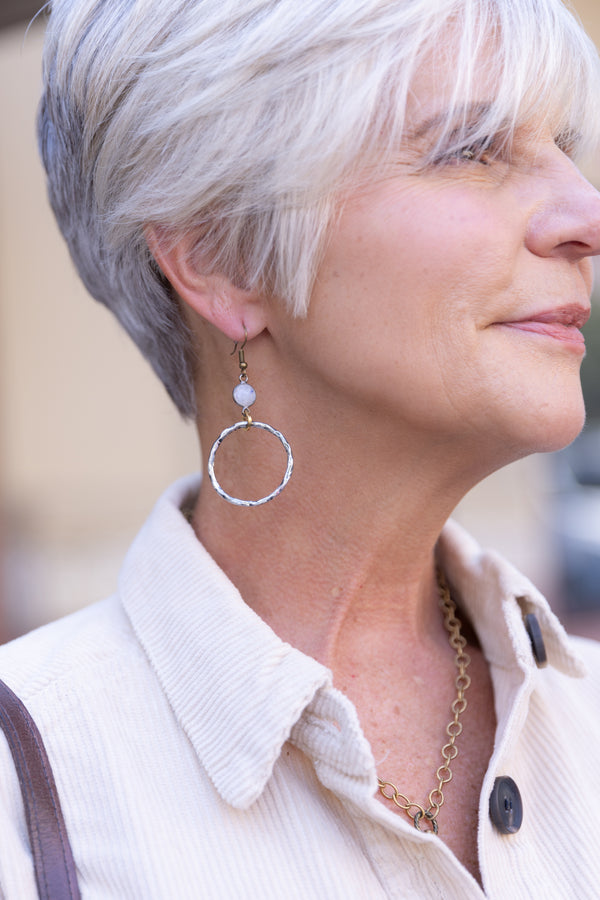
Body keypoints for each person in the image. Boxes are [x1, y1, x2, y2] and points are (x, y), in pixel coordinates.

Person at [2, 0, 600, 896]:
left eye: (563, 145)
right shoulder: (30, 782)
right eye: (471, 148)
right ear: (220, 256)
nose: (583, 213)